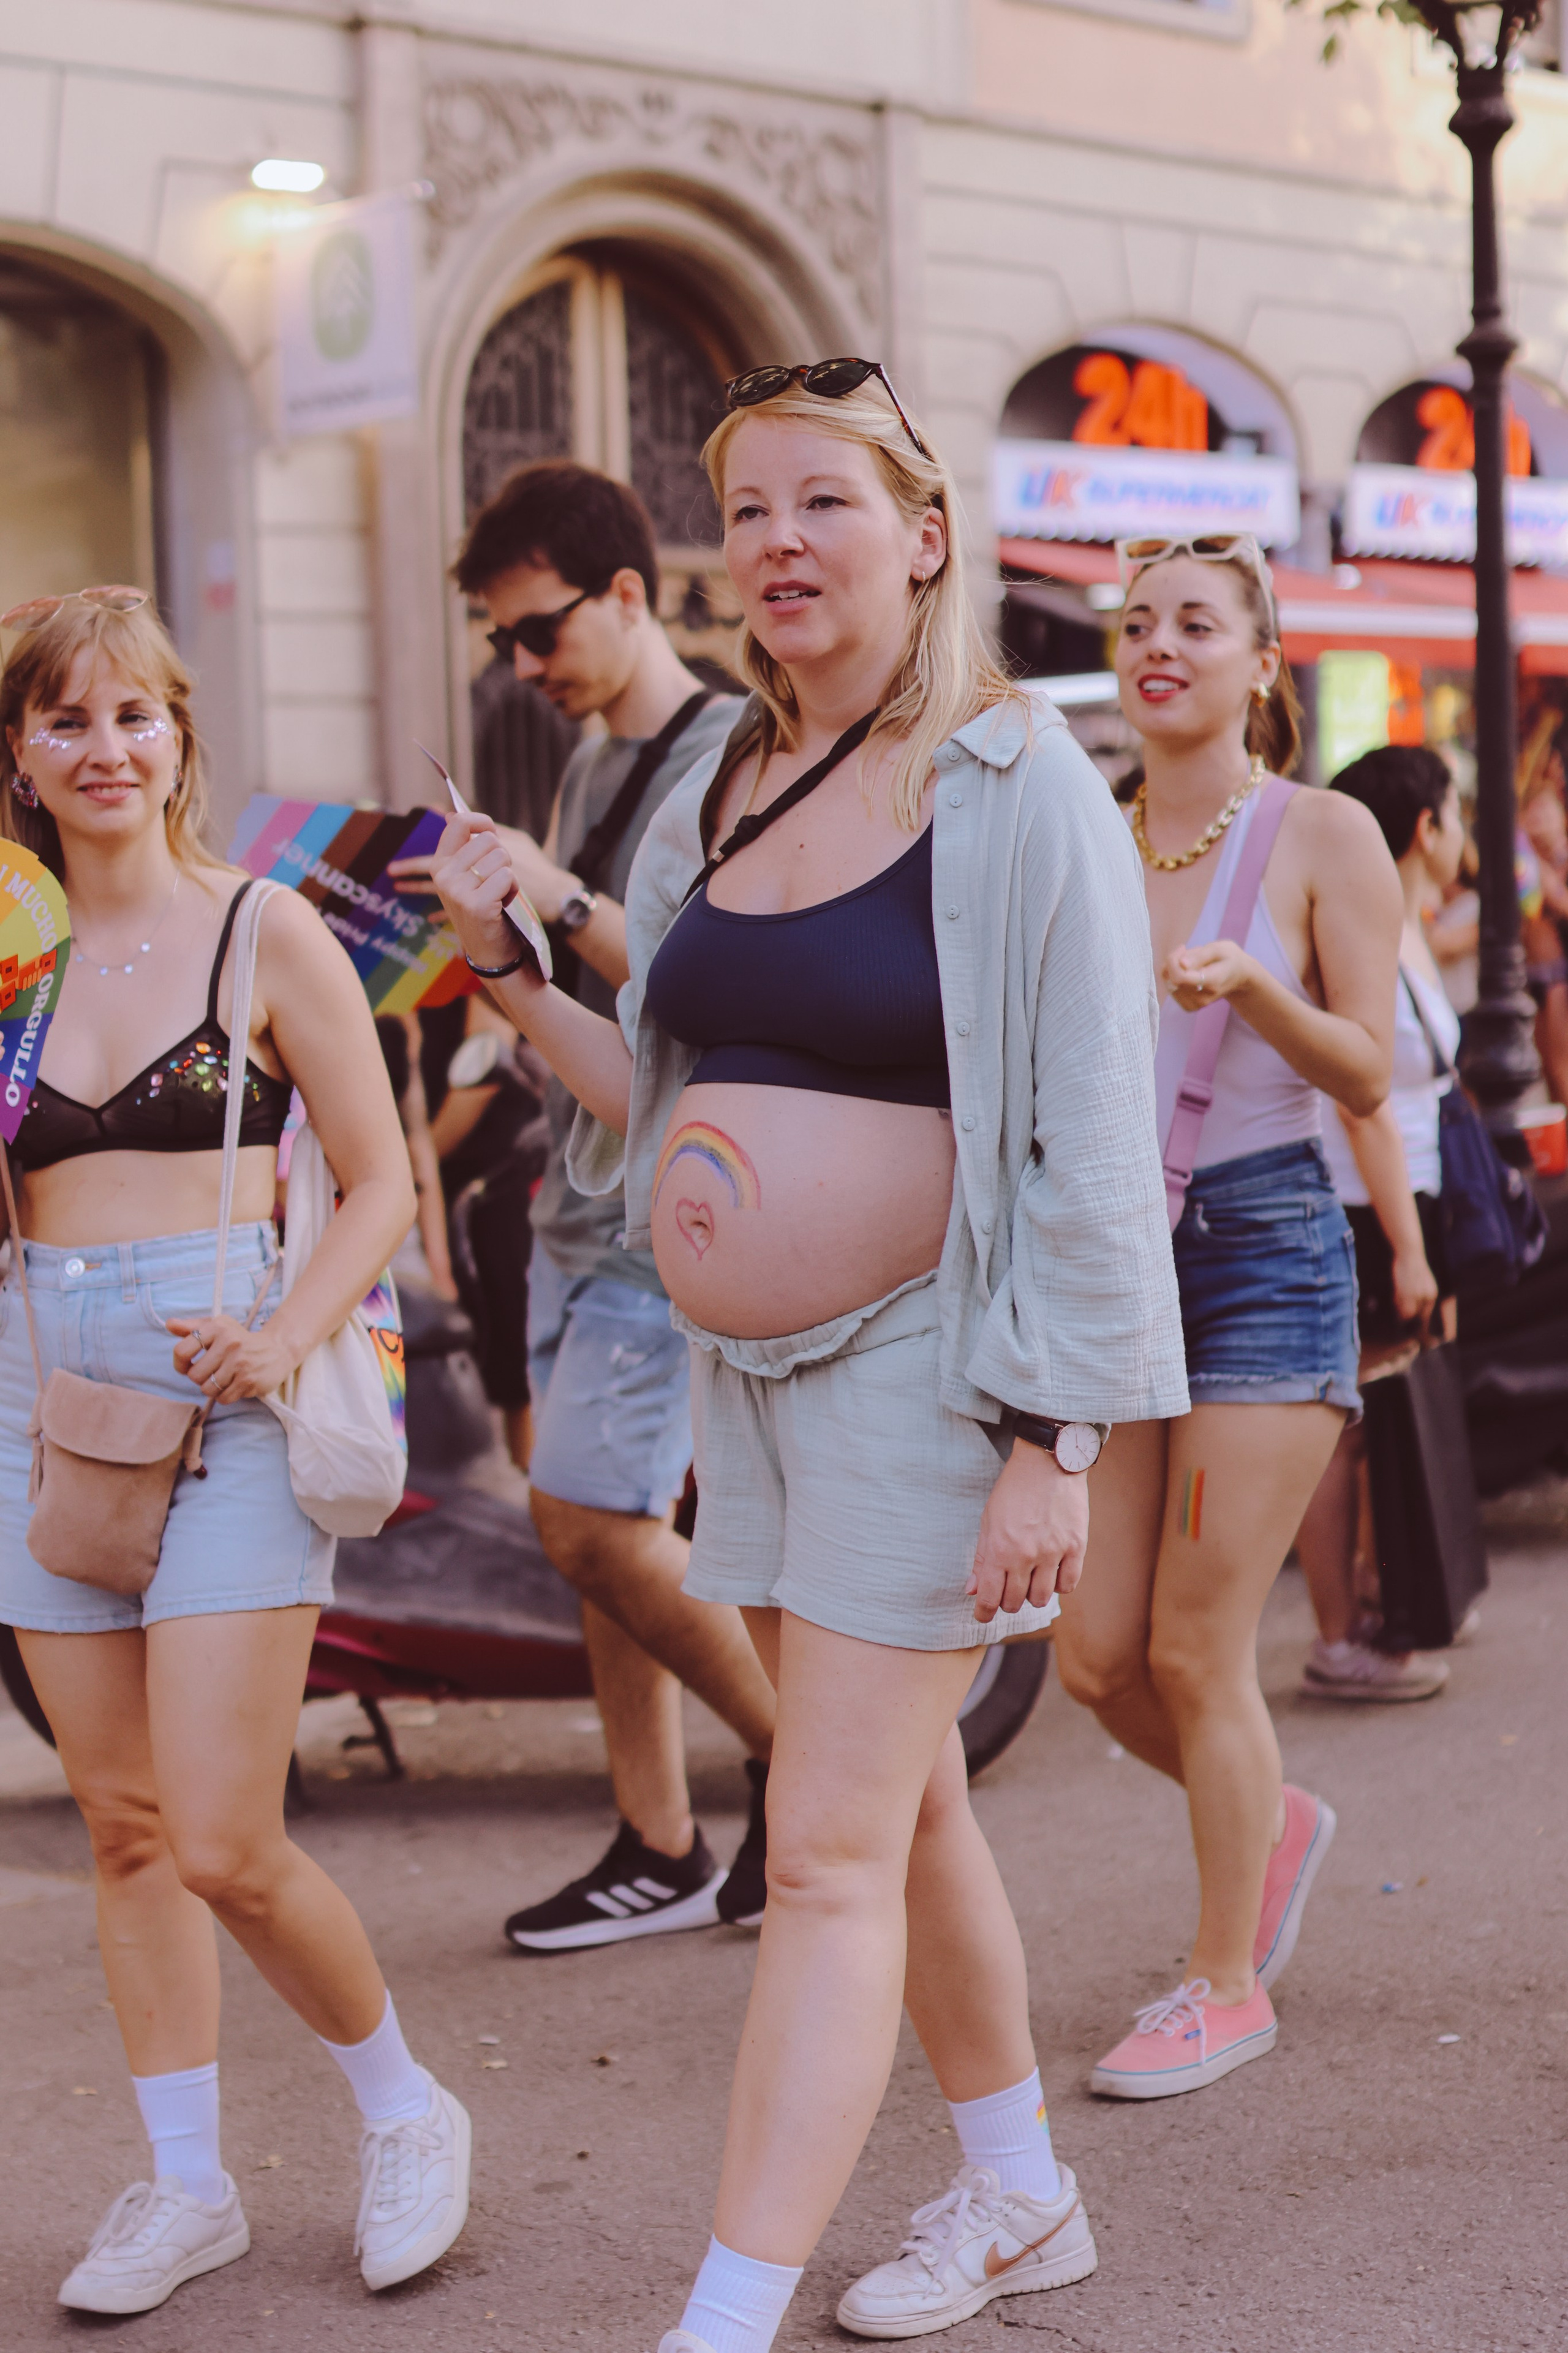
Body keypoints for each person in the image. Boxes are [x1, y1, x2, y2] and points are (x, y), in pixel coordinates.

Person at [431, 360, 1187, 2349]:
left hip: (934, 1373)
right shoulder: (725, 786)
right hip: (751, 1396)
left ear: (926, 538)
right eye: (747, 509)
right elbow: (647, 1095)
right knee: (907, 1811)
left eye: (823, 502)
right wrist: (507, 966)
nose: (776, 541)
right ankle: (1019, 2192)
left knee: (828, 1853)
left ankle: (722, 2319)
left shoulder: (1014, 781)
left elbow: (1097, 1131)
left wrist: (1054, 1440)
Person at [0, 592, 470, 2313]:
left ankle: (406, 2107)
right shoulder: (11, 957)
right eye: (66, 720)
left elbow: (379, 1178)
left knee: (219, 1835)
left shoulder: (265, 928)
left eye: (134, 715)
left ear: (179, 735)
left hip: (235, 1388)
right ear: (20, 754)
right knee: (121, 1823)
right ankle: (185, 2184)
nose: (105, 749)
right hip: (39, 1382)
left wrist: (280, 1337)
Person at [1052, 532, 1403, 2099]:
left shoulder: (1319, 831)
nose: (1157, 645)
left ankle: (1219, 1983)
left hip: (1263, 1247)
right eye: (1136, 623)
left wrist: (1252, 988)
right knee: (1092, 1655)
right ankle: (1268, 1819)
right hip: (1112, 1255)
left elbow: (1368, 1070)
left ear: (1262, 662)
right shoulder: (1083, 831)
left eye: (1196, 624)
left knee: (1195, 1649)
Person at [415, 461, 778, 1949]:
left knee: (584, 1523)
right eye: (502, 639)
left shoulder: (733, 753)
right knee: (601, 1532)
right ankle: (657, 1836)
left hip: (664, 1205)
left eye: (540, 629)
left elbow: (709, 976)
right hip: (575, 1190)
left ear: (627, 595)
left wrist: (556, 899)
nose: (523, 663)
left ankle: (820, 1760)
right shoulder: (585, 765)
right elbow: (580, 990)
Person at [1295, 745, 1466, 1704]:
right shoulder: (1359, 930)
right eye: (1455, 812)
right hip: (1363, 1202)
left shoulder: (1407, 926)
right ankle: (1340, 1632)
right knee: (1347, 1426)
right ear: (1423, 827)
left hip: (1405, 1195)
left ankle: (1383, 1594)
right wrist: (1405, 1246)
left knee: (1389, 1415)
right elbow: (1361, 1104)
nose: (1462, 831)